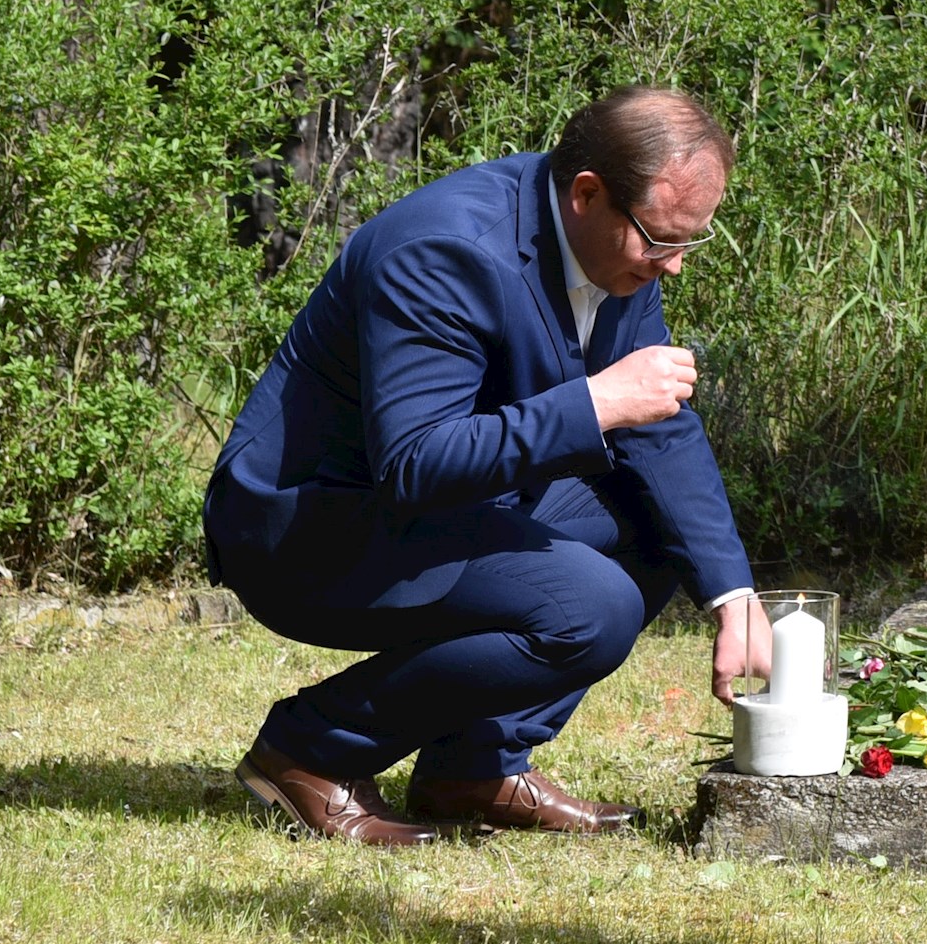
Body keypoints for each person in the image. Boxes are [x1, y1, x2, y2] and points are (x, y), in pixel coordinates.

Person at [206, 87, 769, 846]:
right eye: (660, 239)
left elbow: (656, 424)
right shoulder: (443, 252)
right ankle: (309, 750)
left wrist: (732, 594)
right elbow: (414, 461)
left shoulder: (616, 254)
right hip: (310, 526)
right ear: (587, 194)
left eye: (690, 242)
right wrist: (595, 403)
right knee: (589, 607)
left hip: (441, 506)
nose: (671, 266)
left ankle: (473, 767)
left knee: (657, 524)